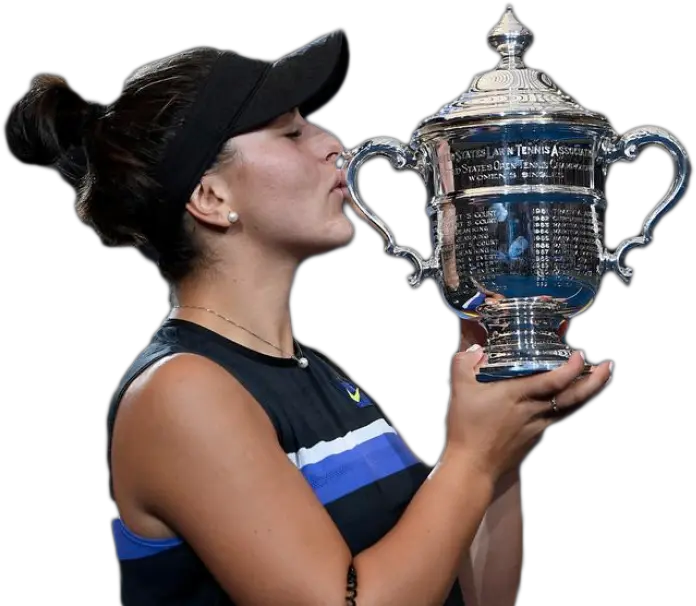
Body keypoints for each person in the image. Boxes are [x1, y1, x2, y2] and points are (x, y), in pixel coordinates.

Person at [2, 28, 614, 606]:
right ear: (211, 198)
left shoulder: (312, 373)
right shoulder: (180, 393)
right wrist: (471, 458)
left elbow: (473, 596)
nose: (333, 146)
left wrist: (502, 442)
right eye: (291, 133)